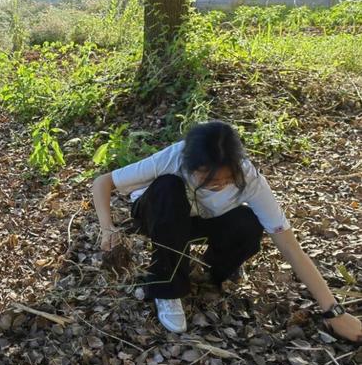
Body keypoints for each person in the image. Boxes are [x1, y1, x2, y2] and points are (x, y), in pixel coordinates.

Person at [92, 121, 362, 341]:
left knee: (249, 221)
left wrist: (334, 312)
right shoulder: (174, 157)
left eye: (226, 178)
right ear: (189, 163)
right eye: (207, 178)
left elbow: (290, 246)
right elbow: (102, 183)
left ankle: (211, 271)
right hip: (159, 216)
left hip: (199, 222)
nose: (218, 184)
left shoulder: (250, 178)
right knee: (167, 188)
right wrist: (107, 228)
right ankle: (167, 288)